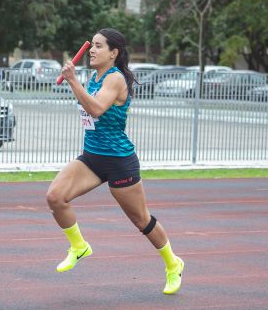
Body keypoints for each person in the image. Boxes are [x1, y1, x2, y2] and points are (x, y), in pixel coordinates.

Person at [45, 28, 184, 295]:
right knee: (55, 197)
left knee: (141, 220)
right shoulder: (94, 78)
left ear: (113, 53)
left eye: (98, 46)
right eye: (91, 46)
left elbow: (96, 108)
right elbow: (90, 108)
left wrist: (73, 82)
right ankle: (79, 246)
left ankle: (173, 264)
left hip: (120, 161)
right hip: (92, 157)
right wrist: (78, 82)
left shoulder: (115, 79)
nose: (92, 51)